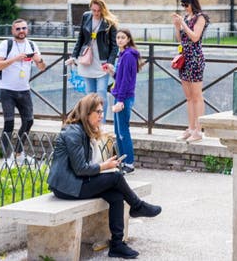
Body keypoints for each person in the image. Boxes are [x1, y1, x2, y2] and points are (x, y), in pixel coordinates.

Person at [48, 92, 161, 259]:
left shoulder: (83, 130)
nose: (101, 116)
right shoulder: (74, 132)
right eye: (98, 112)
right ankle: (137, 206)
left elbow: (85, 167)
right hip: (66, 187)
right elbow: (80, 169)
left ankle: (117, 244)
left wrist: (104, 166)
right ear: (87, 113)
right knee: (115, 177)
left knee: (115, 196)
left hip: (77, 182)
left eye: (102, 112)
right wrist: (104, 166)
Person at [0, 18, 46, 164]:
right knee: (9, 123)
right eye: (18, 29)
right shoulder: (6, 44)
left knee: (28, 122)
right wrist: (15, 59)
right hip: (7, 90)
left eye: (24, 28)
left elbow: (42, 67)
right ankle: (6, 158)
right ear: (13, 31)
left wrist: (38, 60)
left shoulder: (32, 45)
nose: (21, 31)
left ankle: (18, 153)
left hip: (24, 90)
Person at [67, 0, 119, 110]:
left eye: (99, 10)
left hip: (102, 63)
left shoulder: (109, 21)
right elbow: (80, 38)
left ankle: (101, 124)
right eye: (94, 10)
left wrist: (110, 62)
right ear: (90, 8)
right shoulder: (86, 16)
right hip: (87, 61)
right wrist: (74, 56)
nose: (96, 13)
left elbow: (114, 46)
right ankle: (91, 124)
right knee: (90, 95)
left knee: (101, 93)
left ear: (103, 9)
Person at [172, 0, 209, 143]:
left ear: (192, 3)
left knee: (197, 96)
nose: (185, 8)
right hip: (184, 58)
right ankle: (191, 127)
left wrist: (183, 24)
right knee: (188, 97)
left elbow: (195, 37)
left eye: (186, 5)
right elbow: (181, 39)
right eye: (182, 5)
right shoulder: (186, 18)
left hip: (195, 58)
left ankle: (199, 130)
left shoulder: (201, 18)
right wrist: (177, 26)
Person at [111, 29, 142, 174]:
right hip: (120, 96)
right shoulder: (122, 54)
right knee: (118, 131)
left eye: (123, 37)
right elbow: (119, 76)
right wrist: (111, 72)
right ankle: (122, 161)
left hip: (124, 97)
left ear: (128, 39)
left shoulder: (129, 55)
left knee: (123, 131)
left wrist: (121, 100)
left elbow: (126, 80)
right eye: (118, 37)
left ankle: (129, 163)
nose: (120, 40)